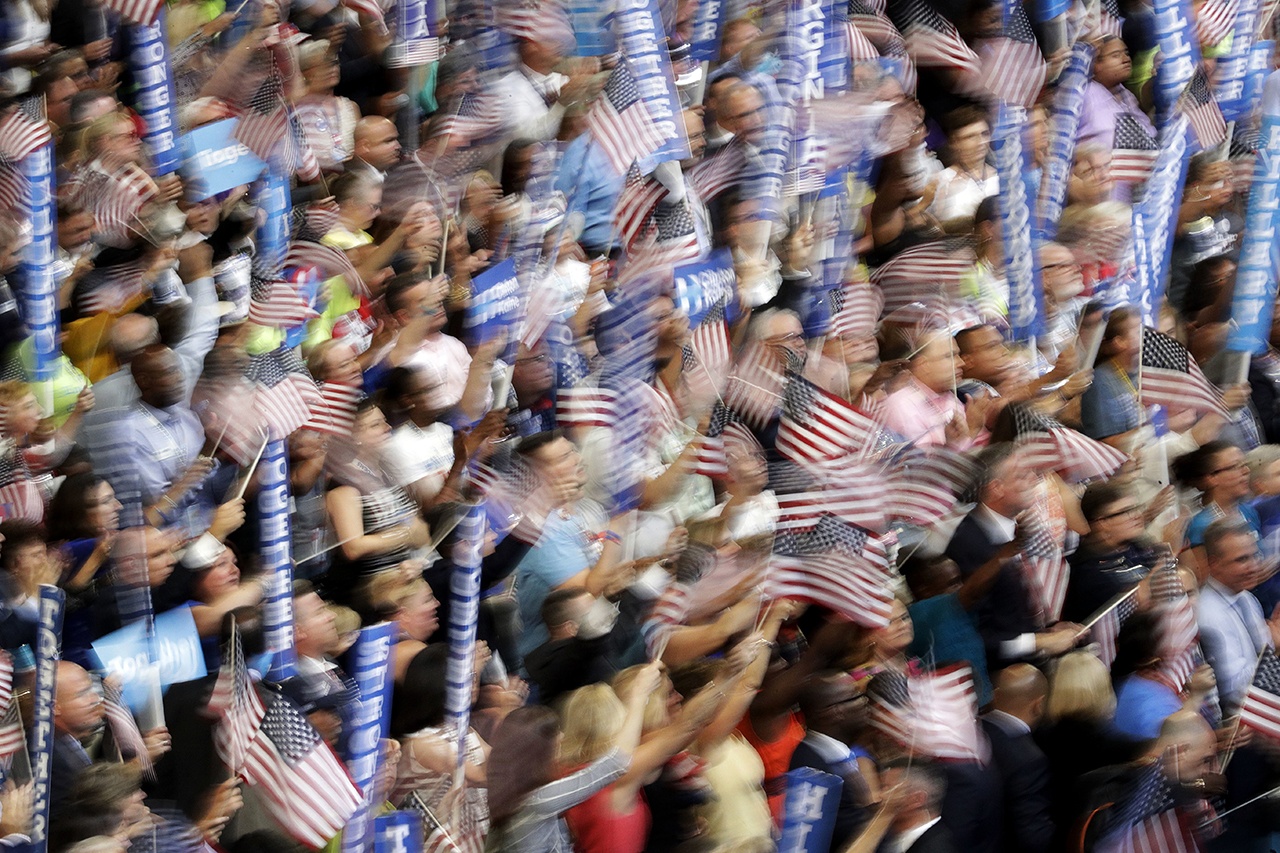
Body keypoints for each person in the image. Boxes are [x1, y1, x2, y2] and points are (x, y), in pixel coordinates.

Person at [484, 662, 661, 852]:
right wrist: (640, 694)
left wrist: (507, 711)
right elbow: (615, 764)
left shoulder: (512, 791)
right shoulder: (539, 802)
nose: (562, 737)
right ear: (536, 756)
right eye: (554, 736)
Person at [980, 664, 1054, 852]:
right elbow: (1033, 836)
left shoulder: (974, 728)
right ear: (1038, 704)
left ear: (995, 696)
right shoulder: (1029, 760)